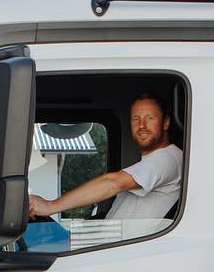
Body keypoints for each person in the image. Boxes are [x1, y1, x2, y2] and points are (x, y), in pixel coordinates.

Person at [27, 93, 182, 220]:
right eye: (136, 119)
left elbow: (113, 183)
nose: (142, 125)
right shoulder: (150, 163)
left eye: (150, 118)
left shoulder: (168, 158)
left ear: (166, 123)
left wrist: (51, 206)